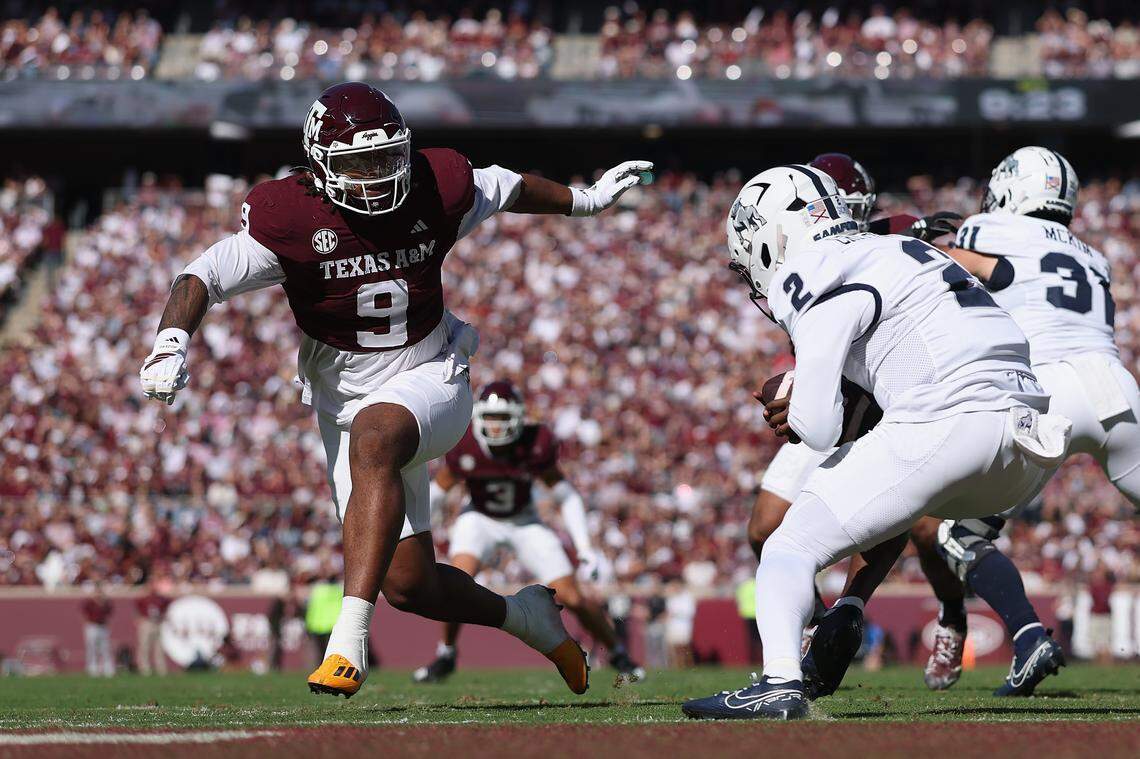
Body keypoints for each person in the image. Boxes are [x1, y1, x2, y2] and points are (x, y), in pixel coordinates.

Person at [139, 81, 652, 698]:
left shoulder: (438, 185)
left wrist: (586, 201)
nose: (378, 176)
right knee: (411, 586)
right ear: (319, 163)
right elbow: (203, 274)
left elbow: (510, 186)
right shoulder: (292, 217)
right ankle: (528, 619)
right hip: (343, 395)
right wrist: (171, 340)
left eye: (386, 158)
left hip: (432, 372)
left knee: (379, 431)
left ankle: (346, 644)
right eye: (358, 163)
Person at [683, 163, 1070, 720]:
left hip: (951, 422)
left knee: (787, 547)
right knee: (891, 488)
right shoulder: (897, 249)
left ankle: (778, 682)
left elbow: (816, 428)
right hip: (1028, 441)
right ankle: (860, 609)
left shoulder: (812, 266)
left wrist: (796, 398)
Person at [916, 147, 1138, 696]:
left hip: (1047, 391)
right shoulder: (1094, 253)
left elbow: (954, 277)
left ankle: (1028, 636)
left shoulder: (988, 226)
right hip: (1116, 387)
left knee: (956, 533)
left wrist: (924, 238)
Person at [746, 152, 962, 699]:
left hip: (886, 396)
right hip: (828, 390)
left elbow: (939, 248)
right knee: (765, 527)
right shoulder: (802, 256)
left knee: (908, 522)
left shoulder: (889, 237)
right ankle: (821, 626)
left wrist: (941, 237)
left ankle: (856, 608)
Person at [413, 381, 644, 684]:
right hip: (479, 517)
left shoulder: (535, 443)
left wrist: (585, 548)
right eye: (490, 418)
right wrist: (414, 527)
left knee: (572, 595)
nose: (495, 426)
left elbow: (567, 495)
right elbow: (439, 491)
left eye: (502, 418)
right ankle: (446, 652)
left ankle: (617, 652)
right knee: (459, 580)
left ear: (518, 417)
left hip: (524, 520)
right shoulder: (465, 443)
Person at [135, 582, 170, 675]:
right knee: (144, 646)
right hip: (146, 622)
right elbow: (137, 609)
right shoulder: (143, 599)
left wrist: (163, 617)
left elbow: (166, 607)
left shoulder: (161, 599)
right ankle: (144, 668)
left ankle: (161, 668)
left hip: (157, 623)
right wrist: (139, 619)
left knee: (159, 647)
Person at [81, 584, 114, 677]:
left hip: (103, 626)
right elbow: (84, 615)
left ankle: (107, 668)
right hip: (92, 626)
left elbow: (109, 615)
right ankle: (92, 668)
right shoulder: (89, 603)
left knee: (105, 648)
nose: (98, 594)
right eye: (97, 592)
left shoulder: (106, 603)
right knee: (92, 648)